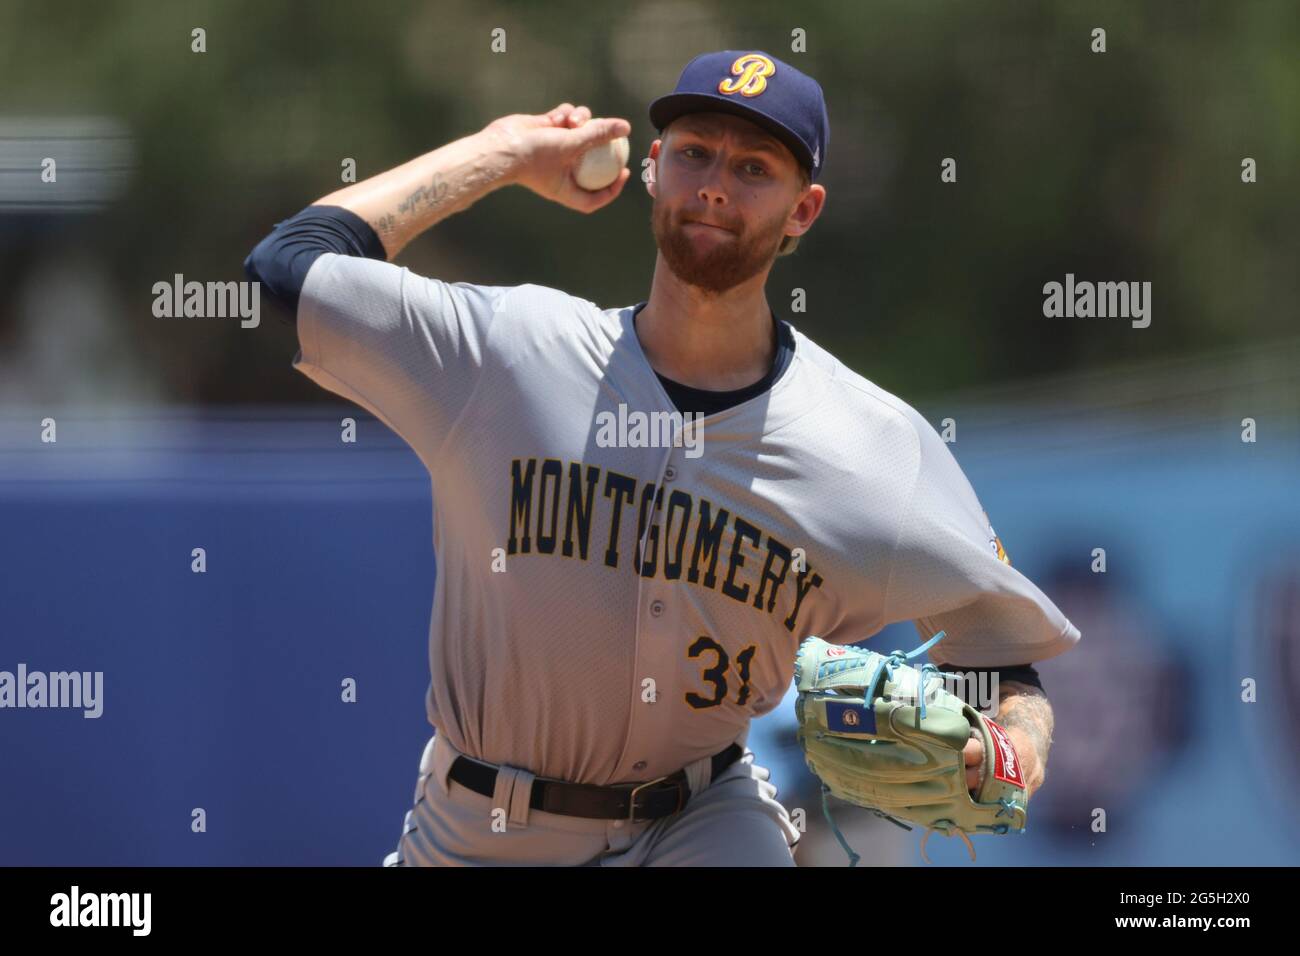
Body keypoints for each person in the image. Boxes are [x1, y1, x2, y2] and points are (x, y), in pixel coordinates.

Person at [244, 50, 1076, 866]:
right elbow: (289, 265)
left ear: (803, 210)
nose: (715, 183)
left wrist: (1017, 739)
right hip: (479, 828)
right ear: (653, 169)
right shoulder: (507, 353)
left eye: (754, 167)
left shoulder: (871, 446)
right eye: (694, 153)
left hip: (701, 820)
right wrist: (503, 153)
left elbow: (1001, 655)